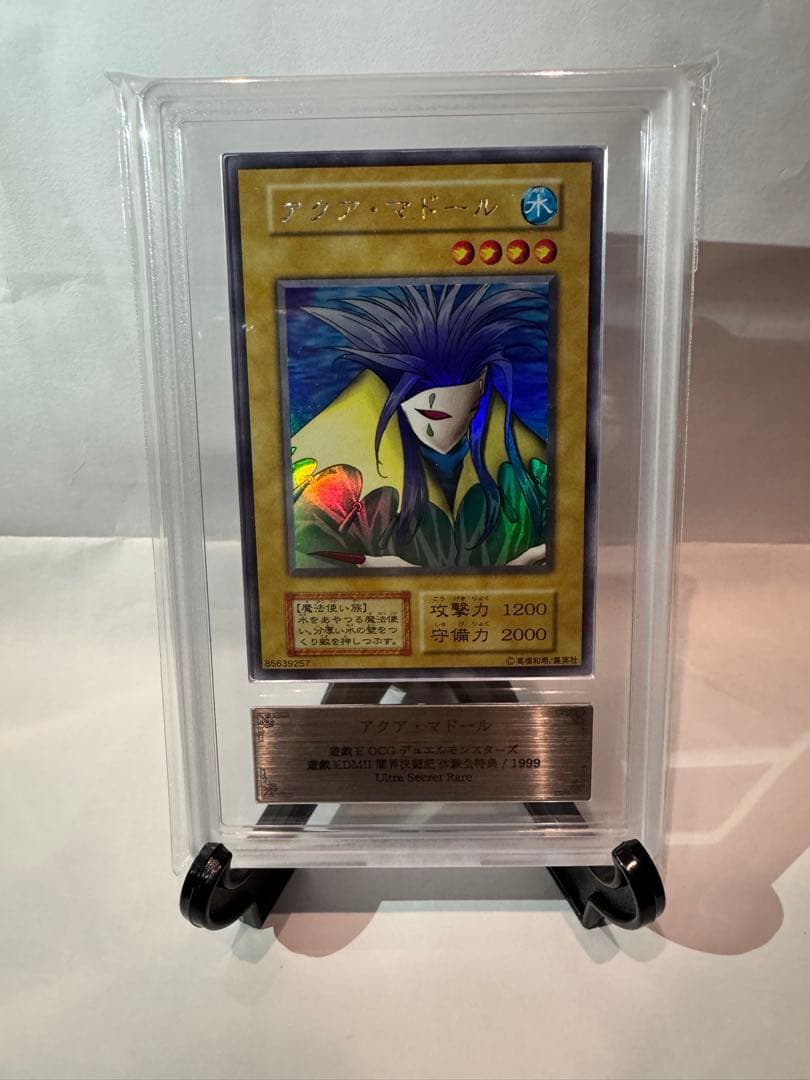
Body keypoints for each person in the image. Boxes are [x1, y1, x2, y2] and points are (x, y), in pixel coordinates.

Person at [289, 282, 549, 570]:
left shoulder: (528, 475)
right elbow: (297, 555)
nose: (456, 426)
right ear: (397, 399)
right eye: (433, 415)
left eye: (472, 408)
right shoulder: (334, 480)